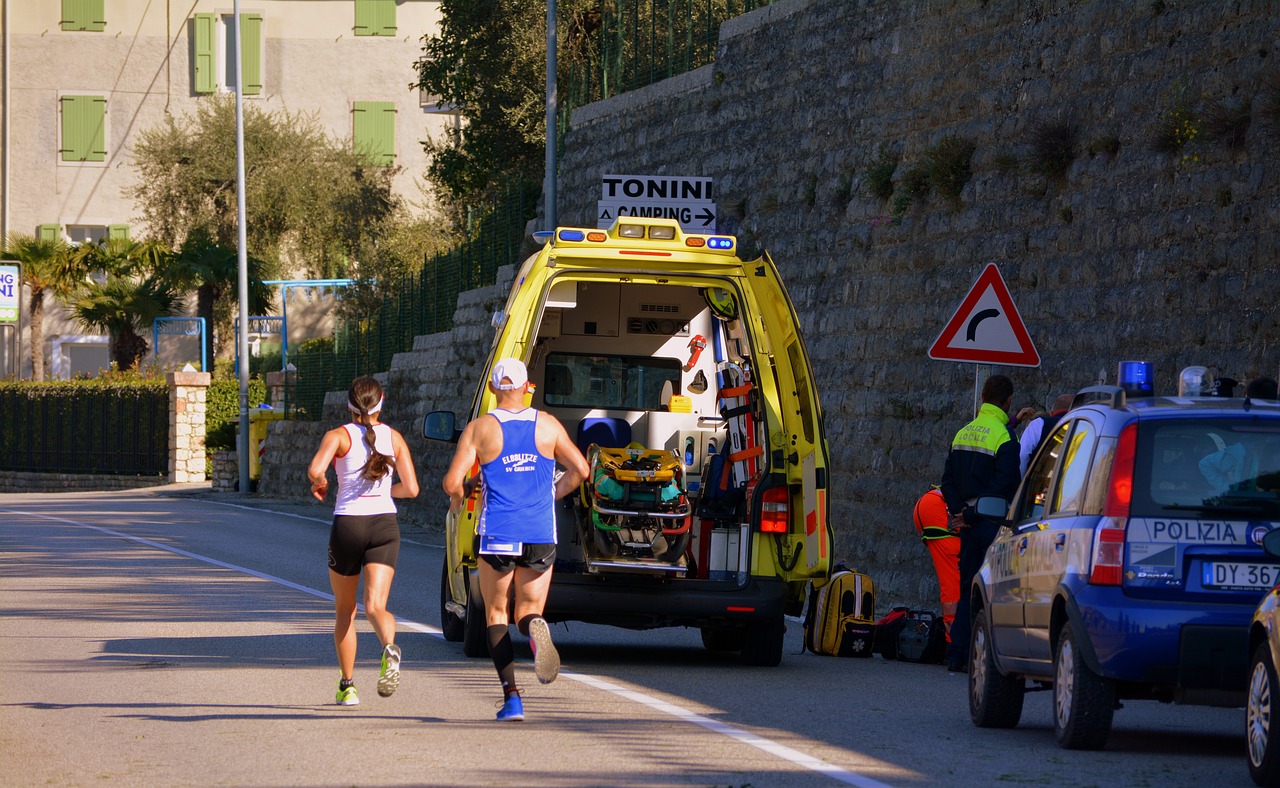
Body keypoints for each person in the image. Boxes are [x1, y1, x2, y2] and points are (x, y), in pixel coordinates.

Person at [442, 358, 590, 722]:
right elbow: (581, 470)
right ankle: (535, 631)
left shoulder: (479, 429)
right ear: (528, 388)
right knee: (528, 611)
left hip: (498, 533)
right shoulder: (549, 425)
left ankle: (512, 698)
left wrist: (462, 493)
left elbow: (451, 482)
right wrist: (550, 495)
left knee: (495, 613)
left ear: (493, 389)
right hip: (540, 531)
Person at [308, 377, 419, 706]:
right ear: (382, 402)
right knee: (376, 607)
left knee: (345, 610)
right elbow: (411, 489)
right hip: (385, 525)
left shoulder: (338, 436)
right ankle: (389, 647)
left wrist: (322, 482)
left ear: (349, 405)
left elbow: (316, 469)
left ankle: (348, 686)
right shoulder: (394, 437)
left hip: (348, 526)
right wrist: (386, 491)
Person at [940, 374, 1024, 673]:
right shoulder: (1005, 437)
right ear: (1008, 400)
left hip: (966, 523)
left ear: (983, 398)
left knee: (967, 590)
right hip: (990, 524)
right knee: (994, 592)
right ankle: (988, 658)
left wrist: (960, 511)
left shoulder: (963, 432)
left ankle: (957, 654)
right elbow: (1006, 484)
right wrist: (975, 514)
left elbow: (947, 481)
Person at [912, 486, 959, 643]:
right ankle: (953, 640)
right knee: (952, 582)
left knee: (951, 580)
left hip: (933, 506)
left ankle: (953, 639)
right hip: (940, 514)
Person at [1019, 392, 1075, 475]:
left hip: (1039, 484)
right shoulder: (1085, 427)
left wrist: (1022, 482)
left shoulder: (1039, 424)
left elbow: (1023, 455)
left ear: (1051, 412)